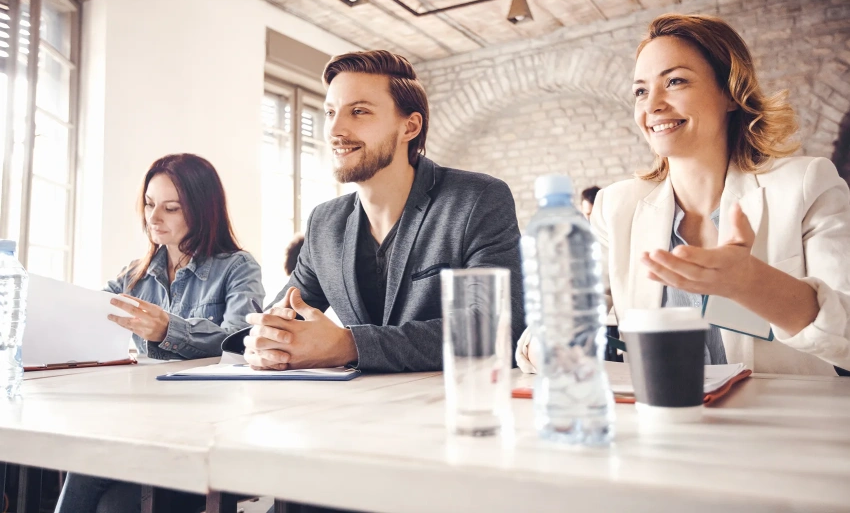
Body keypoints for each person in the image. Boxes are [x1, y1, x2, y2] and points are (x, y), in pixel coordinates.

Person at [518, 13, 850, 376]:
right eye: (641, 90)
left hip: (781, 426)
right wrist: (545, 346)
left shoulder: (805, 185)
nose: (652, 105)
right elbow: (551, 328)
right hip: (663, 424)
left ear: (730, 93)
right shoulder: (617, 208)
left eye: (675, 81)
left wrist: (751, 283)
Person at [240, 50, 525, 373]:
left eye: (359, 111)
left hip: (454, 407)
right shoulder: (325, 223)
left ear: (410, 127)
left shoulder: (476, 199)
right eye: (330, 112)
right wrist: (268, 342)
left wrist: (348, 345)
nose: (335, 130)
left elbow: (499, 329)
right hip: (358, 412)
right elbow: (278, 318)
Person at [56, 153, 264, 513]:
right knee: (85, 467)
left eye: (171, 208)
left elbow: (240, 345)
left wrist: (169, 329)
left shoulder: (237, 268)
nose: (153, 218)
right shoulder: (133, 276)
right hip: (139, 425)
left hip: (204, 433)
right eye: (150, 204)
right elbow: (84, 318)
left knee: (109, 501)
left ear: (202, 210)